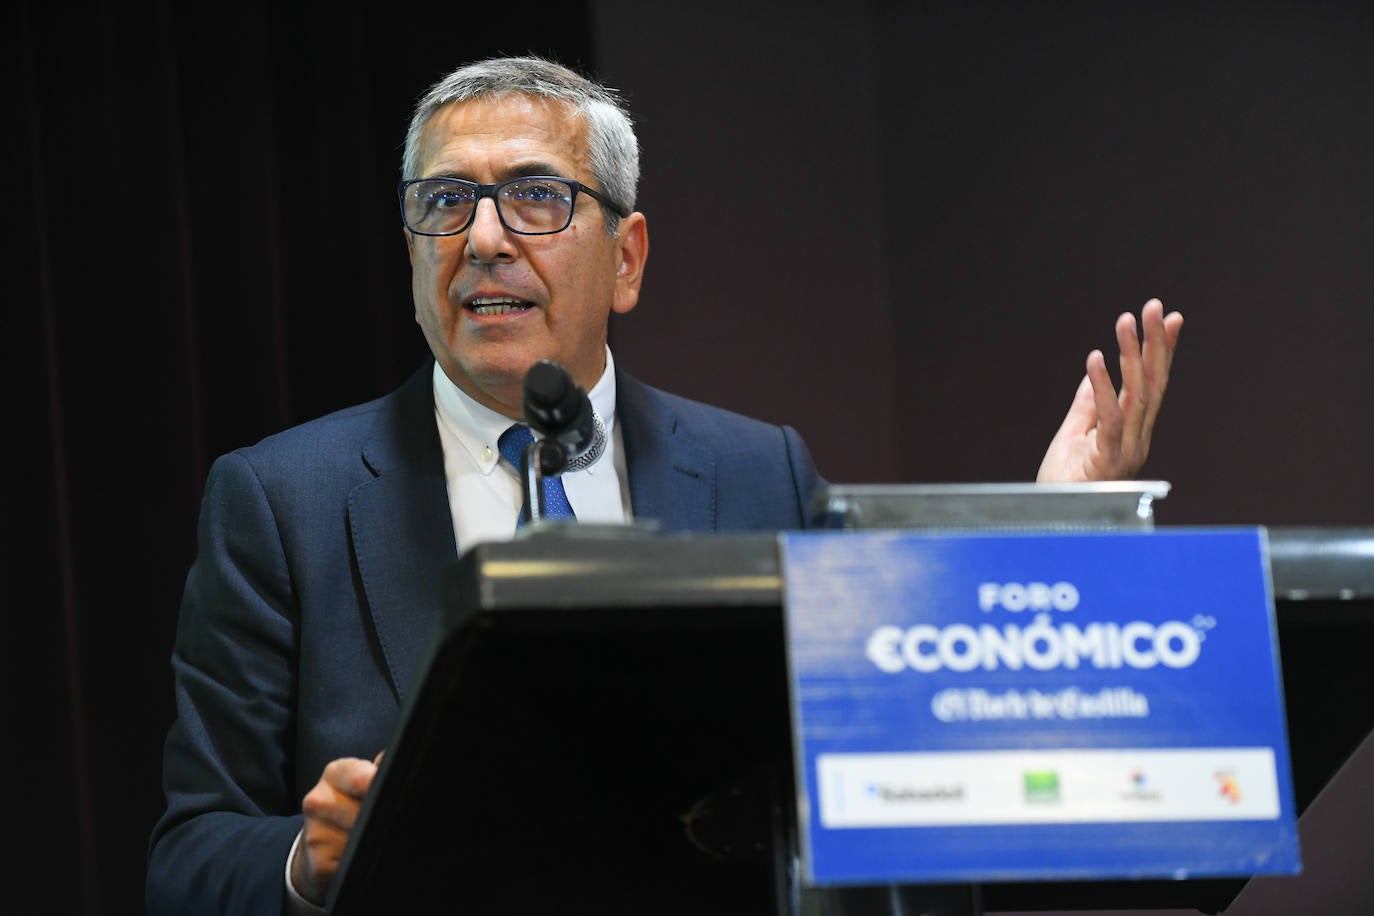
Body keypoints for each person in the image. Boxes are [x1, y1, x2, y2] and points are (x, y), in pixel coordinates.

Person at [145, 55, 1184, 914]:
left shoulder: (754, 470)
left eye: (538, 197)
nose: (486, 238)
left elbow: (900, 730)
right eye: (447, 201)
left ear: (628, 258)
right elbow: (189, 860)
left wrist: (1055, 532)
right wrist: (308, 863)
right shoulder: (282, 500)